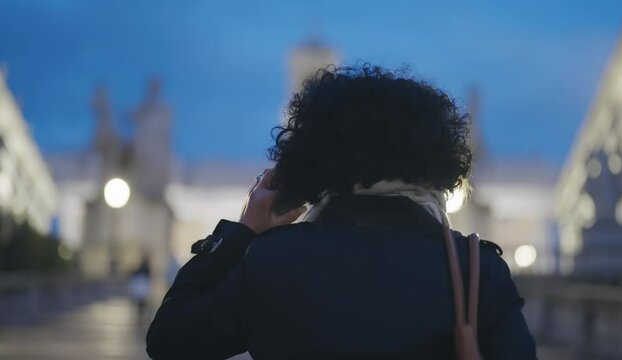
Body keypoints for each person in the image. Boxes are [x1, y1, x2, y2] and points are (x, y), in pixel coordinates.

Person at [146, 65, 537, 359]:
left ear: (316, 154)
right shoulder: (474, 269)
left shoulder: (275, 261)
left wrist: (242, 232)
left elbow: (170, 341)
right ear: (435, 161)